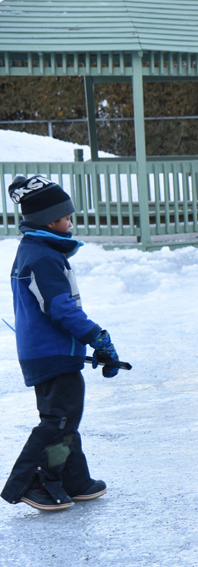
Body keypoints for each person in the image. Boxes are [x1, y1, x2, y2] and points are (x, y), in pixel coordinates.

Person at [2, 175, 125, 512]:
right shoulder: (43, 258)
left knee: (65, 418)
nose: (71, 222)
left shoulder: (39, 251)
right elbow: (59, 307)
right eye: (67, 217)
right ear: (49, 220)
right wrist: (97, 337)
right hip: (50, 353)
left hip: (52, 353)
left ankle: (73, 479)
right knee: (58, 420)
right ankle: (33, 482)